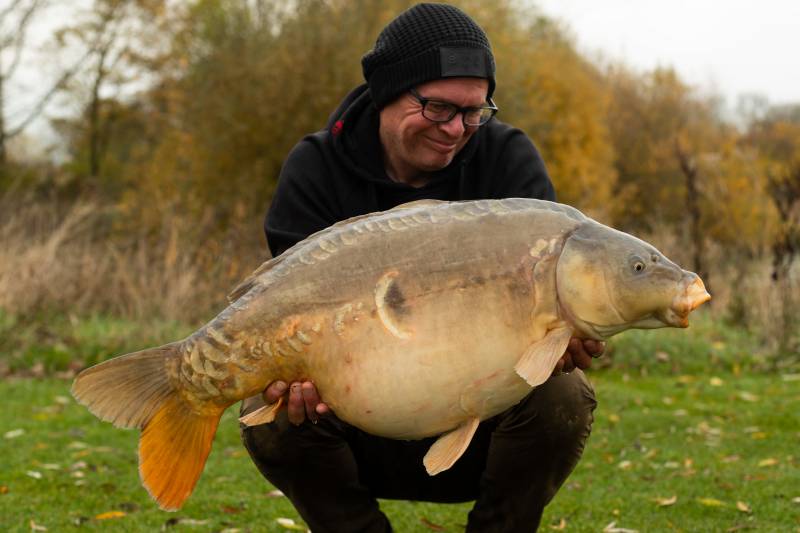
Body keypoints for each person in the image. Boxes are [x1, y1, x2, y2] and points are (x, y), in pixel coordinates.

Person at [240, 4, 603, 532]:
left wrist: (565, 335)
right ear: (389, 92)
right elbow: (289, 321)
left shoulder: (508, 161)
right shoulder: (315, 170)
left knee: (562, 394)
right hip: (356, 422)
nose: (456, 129)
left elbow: (551, 316)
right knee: (270, 408)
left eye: (474, 111)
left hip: (483, 425)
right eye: (437, 108)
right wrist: (294, 374)